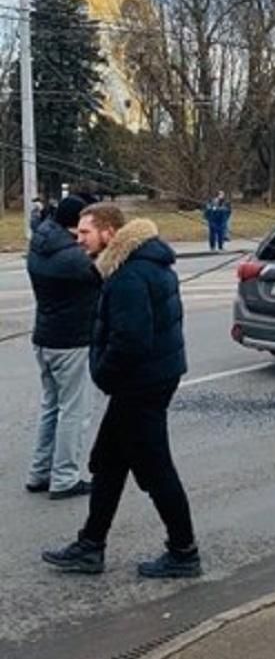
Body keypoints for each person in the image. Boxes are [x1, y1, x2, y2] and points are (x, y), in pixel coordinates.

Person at [42, 205, 201, 578]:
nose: (77, 239)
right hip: (150, 379)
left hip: (139, 386)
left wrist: (102, 374)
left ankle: (184, 552)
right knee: (108, 463)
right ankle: (90, 545)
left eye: (84, 233)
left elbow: (130, 341)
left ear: (110, 233)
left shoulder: (128, 276)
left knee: (156, 468)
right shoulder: (145, 263)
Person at [24, 194, 102, 500]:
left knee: (51, 408)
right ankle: (65, 478)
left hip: (45, 338)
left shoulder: (41, 244)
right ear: (76, 225)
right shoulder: (72, 259)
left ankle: (39, 472)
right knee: (74, 412)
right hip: (71, 341)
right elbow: (103, 277)